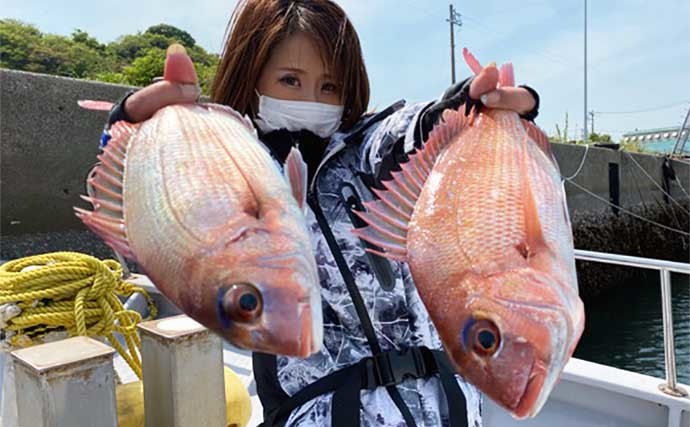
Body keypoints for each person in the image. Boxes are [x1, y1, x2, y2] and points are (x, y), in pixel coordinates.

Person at [102, 1, 539, 426]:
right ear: (250, 74)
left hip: (447, 406)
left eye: (329, 87)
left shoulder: (368, 152)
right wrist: (128, 126)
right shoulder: (229, 172)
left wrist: (470, 106)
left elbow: (414, 134)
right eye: (290, 80)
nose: (312, 99)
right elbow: (159, 223)